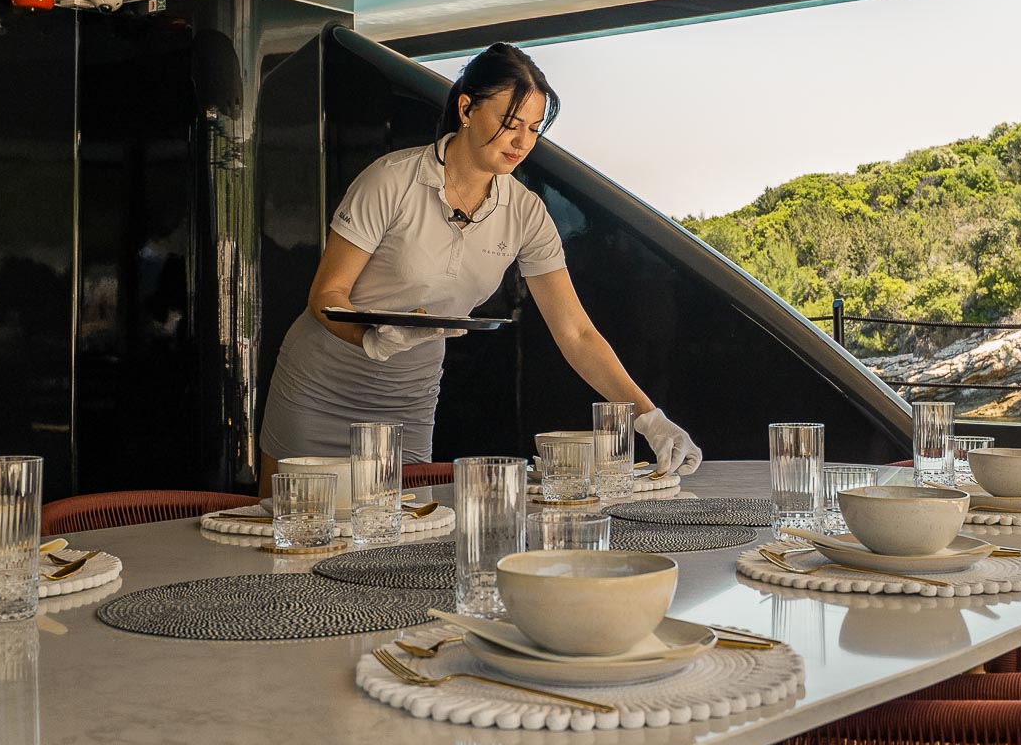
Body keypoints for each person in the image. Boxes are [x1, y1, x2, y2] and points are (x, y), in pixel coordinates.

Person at [256, 42, 701, 486]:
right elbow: (326, 294)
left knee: (398, 521)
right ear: (467, 109)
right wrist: (369, 338)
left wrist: (650, 418)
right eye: (510, 124)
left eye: (534, 128)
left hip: (408, 399)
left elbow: (576, 332)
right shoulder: (391, 180)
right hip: (320, 387)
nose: (522, 142)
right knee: (292, 519)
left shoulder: (526, 212)